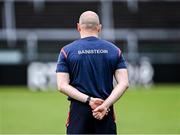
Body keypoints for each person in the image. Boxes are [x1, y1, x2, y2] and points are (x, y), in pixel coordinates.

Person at [56, 11, 129, 134]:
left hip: (78, 112)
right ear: (99, 28)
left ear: (78, 27)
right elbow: (124, 83)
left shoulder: (66, 51)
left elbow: (61, 85)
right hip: (105, 110)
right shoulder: (114, 50)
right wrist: (105, 105)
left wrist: (89, 100)